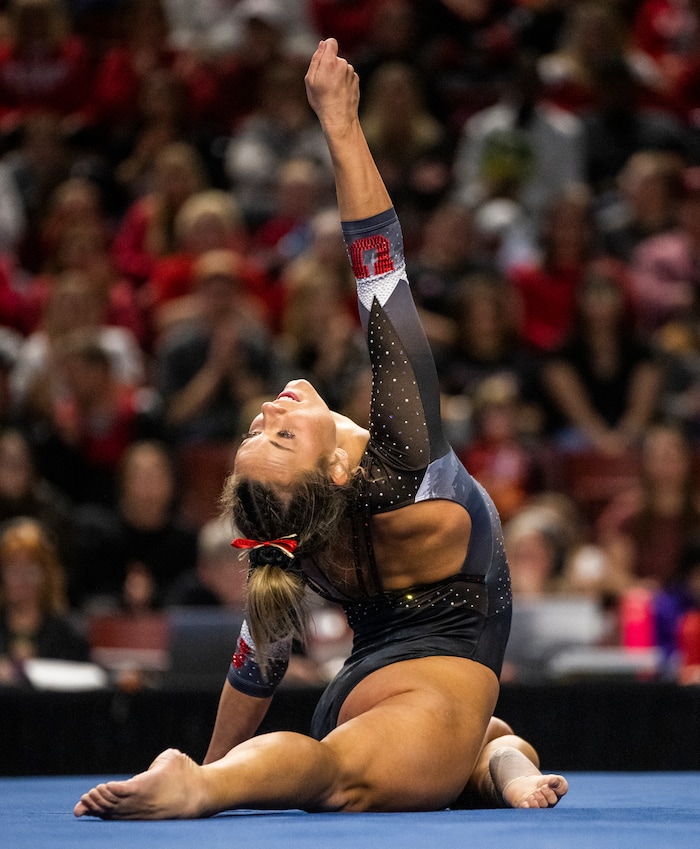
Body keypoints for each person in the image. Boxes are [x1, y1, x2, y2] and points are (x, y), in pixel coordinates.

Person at [74, 38, 567, 820]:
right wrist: (340, 124)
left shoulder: (298, 531)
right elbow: (381, 269)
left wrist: (217, 755)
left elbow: (259, 661)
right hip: (424, 693)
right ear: (333, 472)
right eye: (276, 436)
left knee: (483, 746)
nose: (267, 410)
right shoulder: (403, 460)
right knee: (339, 776)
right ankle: (205, 784)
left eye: (256, 428)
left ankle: (496, 753)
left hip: (383, 691)